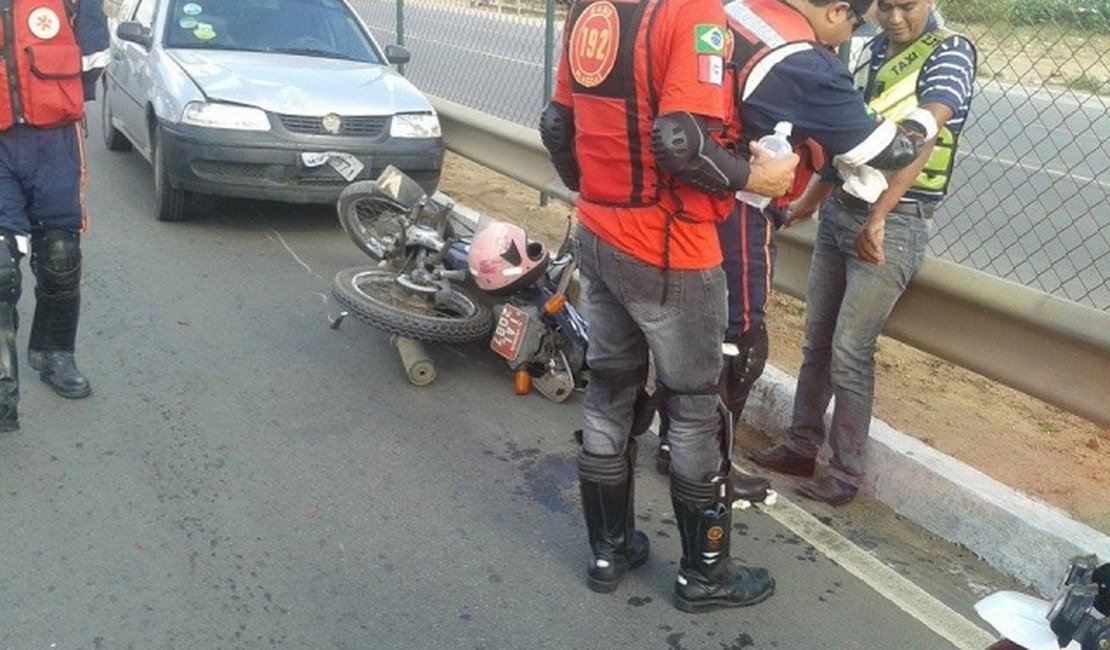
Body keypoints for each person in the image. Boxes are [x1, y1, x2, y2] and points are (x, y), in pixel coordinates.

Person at [540, 0, 798, 612]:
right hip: (671, 247)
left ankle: (609, 551)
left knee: (609, 390)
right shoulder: (693, 12)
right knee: (693, 409)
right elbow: (681, 142)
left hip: (599, 232)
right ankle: (704, 576)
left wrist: (593, 191)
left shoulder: (589, 9)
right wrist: (755, 179)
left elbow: (558, 123)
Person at [656, 0, 938, 474]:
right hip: (735, 202)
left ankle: (673, 442)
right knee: (738, 337)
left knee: (685, 321)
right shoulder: (802, 61)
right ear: (837, 10)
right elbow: (889, 150)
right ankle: (702, 463)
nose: (848, 38)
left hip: (673, 190)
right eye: (854, 23)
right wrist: (923, 121)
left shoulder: (734, 10)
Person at [750, 0, 977, 506]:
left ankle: (846, 473)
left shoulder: (950, 52)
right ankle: (800, 444)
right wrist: (811, 201)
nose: (895, 18)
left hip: (894, 222)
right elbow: (847, 134)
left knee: (850, 351)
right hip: (842, 209)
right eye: (887, 6)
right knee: (818, 342)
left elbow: (924, 135)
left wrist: (878, 216)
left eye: (908, 6)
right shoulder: (870, 48)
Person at [0, 0, 109, 430]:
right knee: (1, 268)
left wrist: (57, 98)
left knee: (61, 256)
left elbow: (96, 51)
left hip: (56, 141)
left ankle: (54, 353)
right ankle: (3, 380)